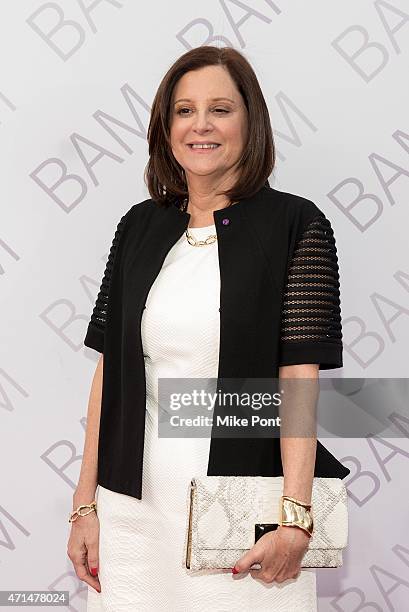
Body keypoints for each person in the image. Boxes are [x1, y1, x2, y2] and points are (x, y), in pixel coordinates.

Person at [67, 45, 349, 611]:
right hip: (133, 512)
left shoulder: (297, 225)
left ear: (251, 122)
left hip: (243, 512)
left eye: (220, 109)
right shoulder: (138, 226)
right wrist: (86, 505)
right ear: (165, 127)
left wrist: (295, 517)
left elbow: (297, 379)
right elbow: (110, 374)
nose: (200, 125)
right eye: (183, 110)